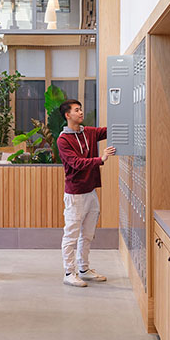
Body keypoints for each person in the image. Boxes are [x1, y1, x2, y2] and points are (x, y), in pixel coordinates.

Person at [57, 99, 115, 288]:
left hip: (90, 192)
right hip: (75, 194)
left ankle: (83, 269)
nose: (81, 112)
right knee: (71, 235)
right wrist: (101, 159)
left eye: (81, 109)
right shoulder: (63, 140)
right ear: (68, 115)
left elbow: (109, 130)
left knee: (88, 234)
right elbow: (76, 163)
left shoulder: (88, 132)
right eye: (76, 110)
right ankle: (69, 272)